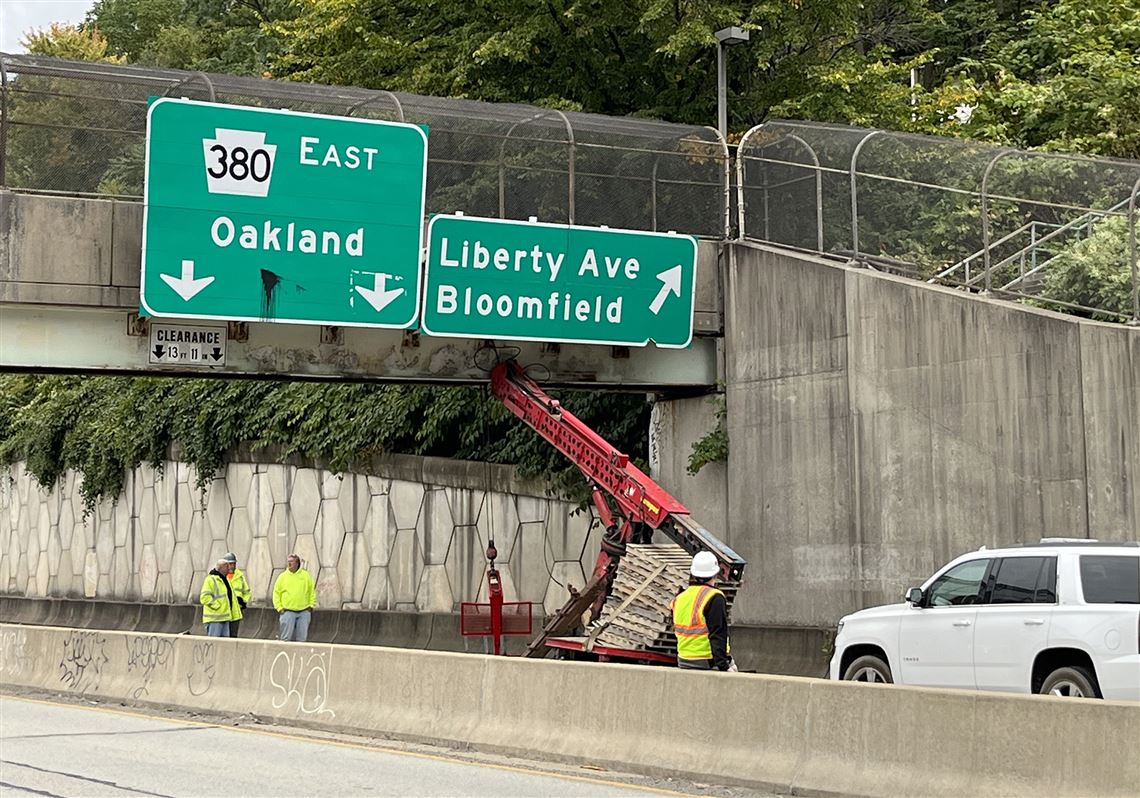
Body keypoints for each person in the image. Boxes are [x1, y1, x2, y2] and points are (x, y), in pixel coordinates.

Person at [671, 550, 735, 671]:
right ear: (715, 574)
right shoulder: (714, 597)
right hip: (705, 660)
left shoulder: (680, 598)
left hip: (683, 659)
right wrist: (724, 666)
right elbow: (718, 633)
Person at [273, 553, 317, 642]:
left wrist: (311, 605)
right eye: (288, 562)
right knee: (285, 638)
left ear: (297, 563)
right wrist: (279, 608)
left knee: (302, 639)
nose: (289, 564)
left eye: (292, 562)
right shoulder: (282, 577)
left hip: (304, 612)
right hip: (287, 611)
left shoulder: (306, 576)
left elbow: (311, 591)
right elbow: (276, 593)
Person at [200, 558, 235, 637]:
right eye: (227, 567)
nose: (229, 569)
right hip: (214, 619)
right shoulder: (210, 580)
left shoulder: (224, 580)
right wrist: (217, 606)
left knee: (224, 646)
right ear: (221, 567)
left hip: (225, 618)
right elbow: (204, 598)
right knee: (213, 645)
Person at [223, 552, 252, 637]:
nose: (232, 566)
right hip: (224, 611)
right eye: (230, 564)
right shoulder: (221, 576)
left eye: (234, 564)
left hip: (236, 611)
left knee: (233, 635)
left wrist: (244, 602)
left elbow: (247, 591)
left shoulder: (240, 576)